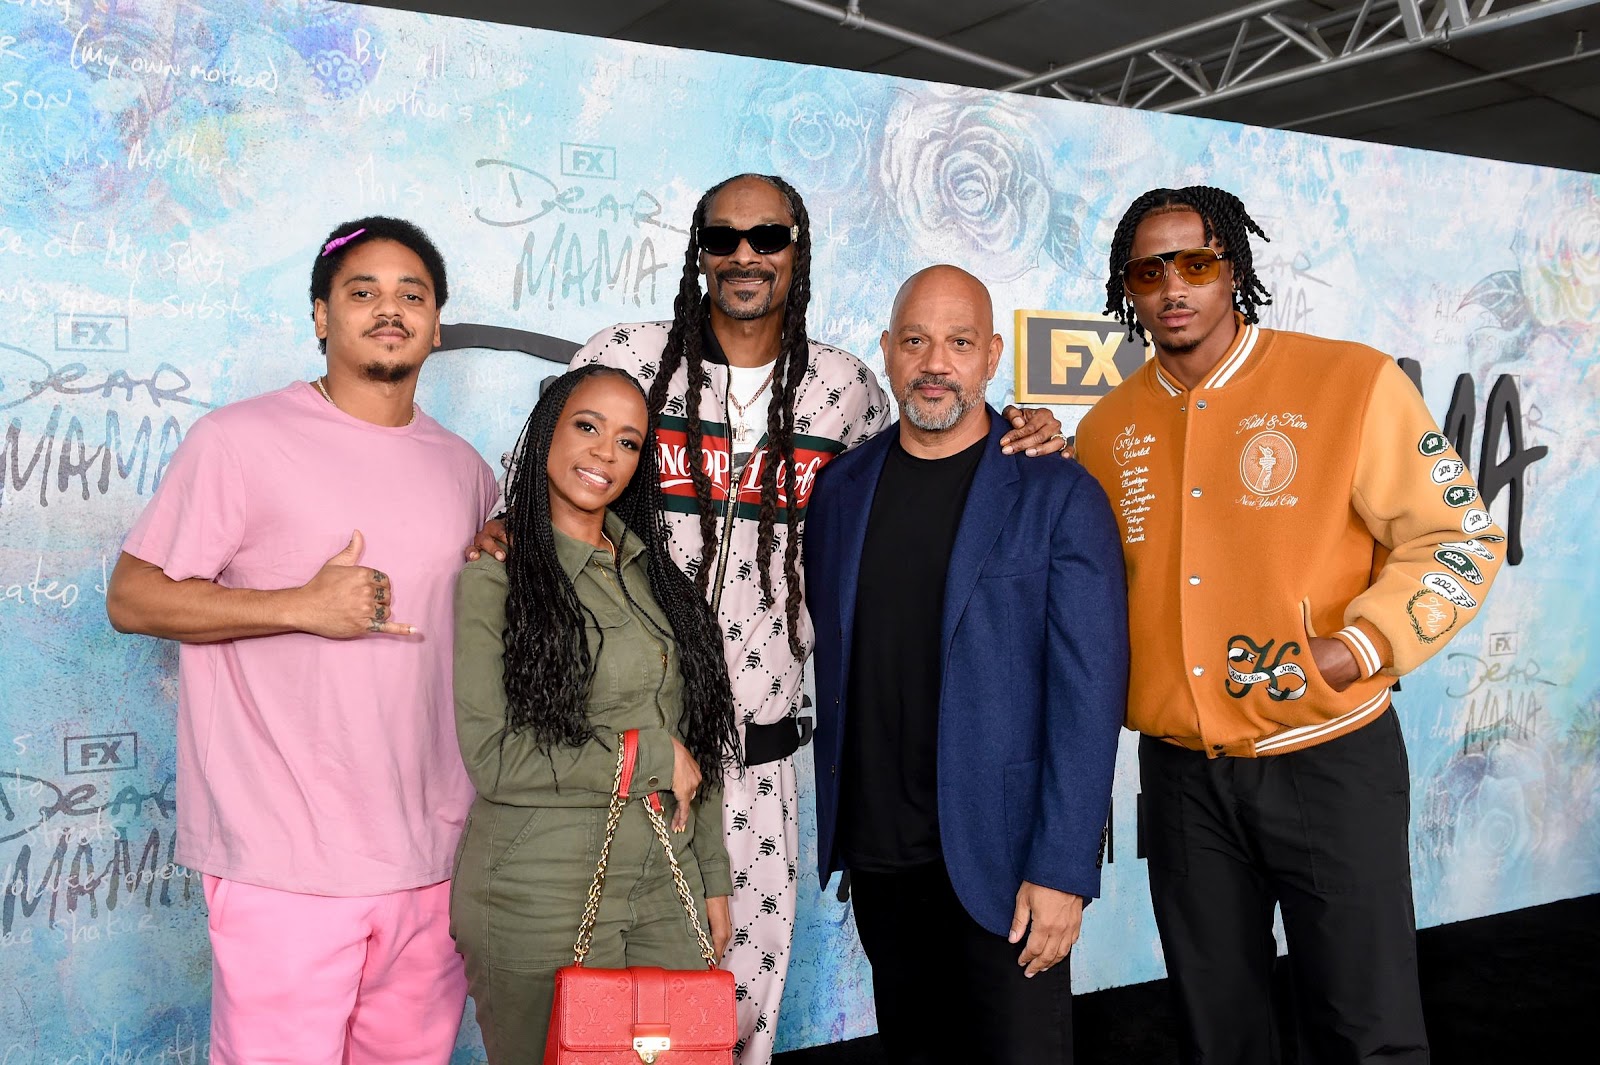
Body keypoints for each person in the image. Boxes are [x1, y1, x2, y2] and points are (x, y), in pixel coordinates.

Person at [469, 172, 1068, 1062]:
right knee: (590, 1014)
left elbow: (930, 472)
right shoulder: (628, 355)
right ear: (699, 252)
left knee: (730, 1013)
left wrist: (1029, 427)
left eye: (768, 237)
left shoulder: (846, 389)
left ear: (799, 248)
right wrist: (497, 535)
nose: (746, 255)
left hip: (760, 760)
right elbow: (532, 488)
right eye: (724, 238)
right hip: (624, 752)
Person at [1074, 186, 1507, 1065]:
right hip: (1184, 779)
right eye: (1149, 271)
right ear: (1130, 289)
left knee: (1365, 1025)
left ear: (1233, 267)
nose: (1174, 287)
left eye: (1195, 262)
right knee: (1218, 1031)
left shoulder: (1349, 381)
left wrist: (1361, 645)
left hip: (1328, 759)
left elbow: (1457, 534)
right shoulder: (1105, 427)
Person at [106, 217, 499, 1065]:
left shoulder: (467, 470)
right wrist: (300, 604)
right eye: (362, 292)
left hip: (434, 856)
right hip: (284, 856)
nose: (388, 310)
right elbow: (133, 597)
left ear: (436, 321)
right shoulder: (238, 441)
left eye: (411, 295)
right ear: (322, 315)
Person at [805, 265, 1129, 1064]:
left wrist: (1063, 869)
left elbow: (1089, 697)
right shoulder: (842, 490)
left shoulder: (1058, 492)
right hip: (883, 858)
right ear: (887, 351)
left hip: (1007, 863)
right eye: (915, 340)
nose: (934, 362)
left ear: (991, 354)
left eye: (957, 342)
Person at [450, 364, 739, 1063]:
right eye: (587, 427)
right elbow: (493, 755)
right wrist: (642, 756)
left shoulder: (652, 574)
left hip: (662, 881)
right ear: (548, 430)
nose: (605, 453)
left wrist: (711, 876)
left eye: (629, 441)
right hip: (539, 890)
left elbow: (690, 735)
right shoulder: (499, 574)